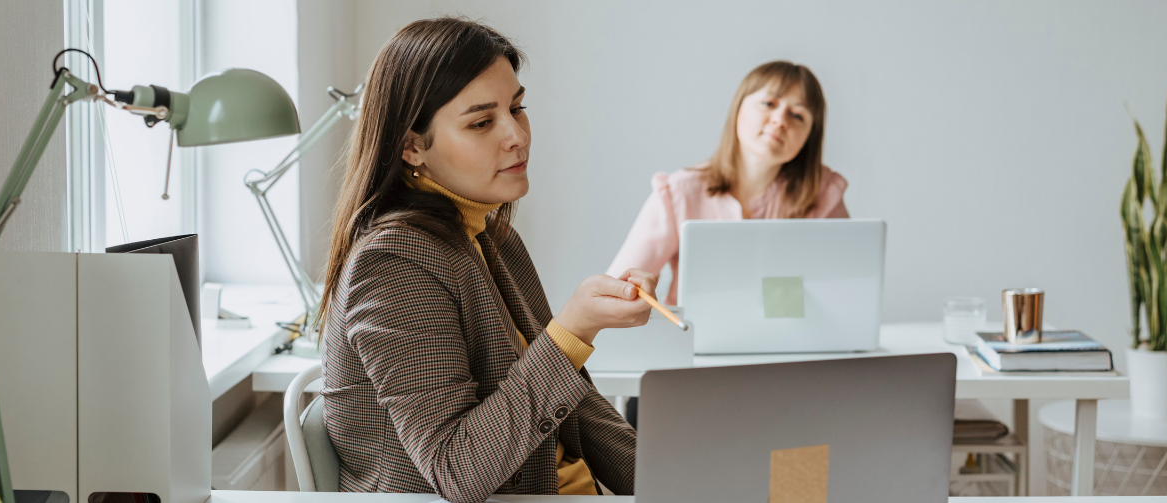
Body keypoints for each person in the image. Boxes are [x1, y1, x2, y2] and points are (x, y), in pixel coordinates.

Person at [317, 18, 652, 503]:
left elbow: (578, 410)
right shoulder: (392, 265)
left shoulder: (492, 236)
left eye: (517, 108)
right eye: (481, 122)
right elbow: (459, 470)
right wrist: (573, 332)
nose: (517, 135)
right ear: (412, 145)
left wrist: (678, 480)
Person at [607, 61, 849, 305]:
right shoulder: (679, 193)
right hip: (690, 339)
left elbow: (845, 290)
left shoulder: (825, 195)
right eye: (769, 103)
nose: (780, 120)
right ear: (738, 108)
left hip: (791, 340)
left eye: (797, 115)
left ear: (809, 136)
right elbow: (616, 291)